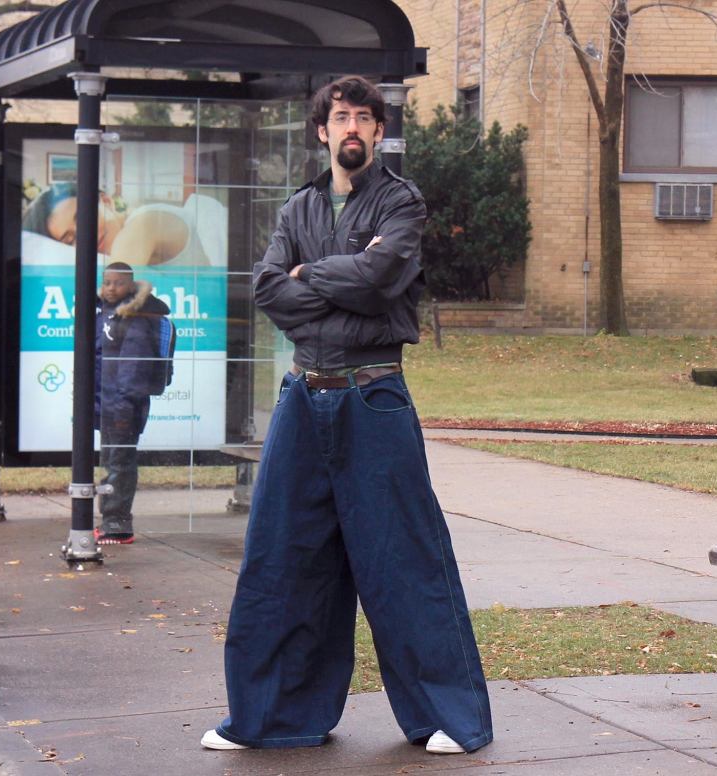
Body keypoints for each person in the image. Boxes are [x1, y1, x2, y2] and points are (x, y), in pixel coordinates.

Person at [202, 77, 493, 755]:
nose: (353, 126)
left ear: (379, 131)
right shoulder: (297, 206)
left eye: (365, 116)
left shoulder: (401, 201)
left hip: (374, 394)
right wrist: (328, 278)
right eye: (342, 117)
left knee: (403, 560)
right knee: (281, 556)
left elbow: (380, 279)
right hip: (304, 396)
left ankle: (450, 718)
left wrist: (312, 276)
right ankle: (273, 716)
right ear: (322, 132)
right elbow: (269, 288)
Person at [94, 261, 171, 544]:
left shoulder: (136, 318)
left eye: (118, 283)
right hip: (108, 403)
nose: (111, 288)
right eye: (107, 282)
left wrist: (124, 408)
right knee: (111, 460)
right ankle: (110, 519)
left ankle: (117, 523)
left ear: (131, 284)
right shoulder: (107, 314)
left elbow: (133, 367)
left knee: (120, 462)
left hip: (122, 406)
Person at [22, 183, 227, 266]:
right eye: (70, 239)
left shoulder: (143, 224)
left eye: (83, 219)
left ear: (105, 201)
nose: (85, 237)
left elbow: (114, 300)